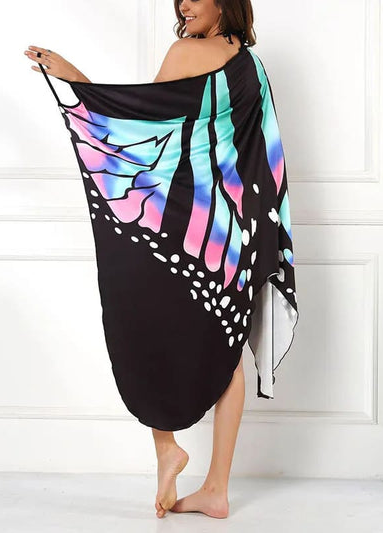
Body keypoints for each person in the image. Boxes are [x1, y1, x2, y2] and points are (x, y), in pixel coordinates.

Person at [24, 0, 259, 520]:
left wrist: (73, 80)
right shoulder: (249, 64)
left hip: (172, 225)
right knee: (228, 345)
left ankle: (166, 447)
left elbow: (132, 129)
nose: (184, 4)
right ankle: (216, 489)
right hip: (227, 229)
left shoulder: (186, 53)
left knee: (144, 323)